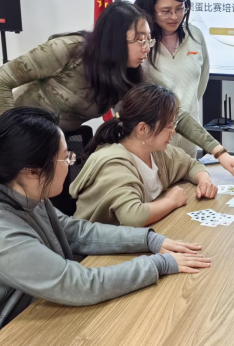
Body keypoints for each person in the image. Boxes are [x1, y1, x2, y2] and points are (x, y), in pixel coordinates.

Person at [0, 107, 211, 328]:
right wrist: (157, 264)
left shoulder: (31, 197)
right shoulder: (5, 232)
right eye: (64, 158)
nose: (69, 163)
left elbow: (77, 232)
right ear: (32, 171)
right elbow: (79, 284)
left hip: (47, 307)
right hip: (20, 329)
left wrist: (149, 240)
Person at [0, 1, 234, 178]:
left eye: (148, 39)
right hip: (17, 136)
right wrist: (13, 134)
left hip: (58, 141)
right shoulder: (69, 50)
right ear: (114, 38)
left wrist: (218, 151)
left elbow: (170, 113)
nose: (146, 48)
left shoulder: (127, 76)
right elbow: (3, 78)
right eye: (139, 39)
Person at [70, 84, 217, 227]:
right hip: (97, 243)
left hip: (140, 234)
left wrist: (204, 180)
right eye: (168, 126)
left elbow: (191, 165)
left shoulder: (156, 152)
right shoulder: (114, 164)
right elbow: (134, 217)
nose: (173, 131)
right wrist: (171, 201)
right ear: (143, 129)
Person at [135, 0, 210, 159]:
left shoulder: (195, 35)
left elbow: (200, 83)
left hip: (188, 138)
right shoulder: (139, 42)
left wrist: (186, 112)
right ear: (150, 9)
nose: (175, 16)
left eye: (180, 8)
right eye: (166, 11)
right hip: (151, 140)